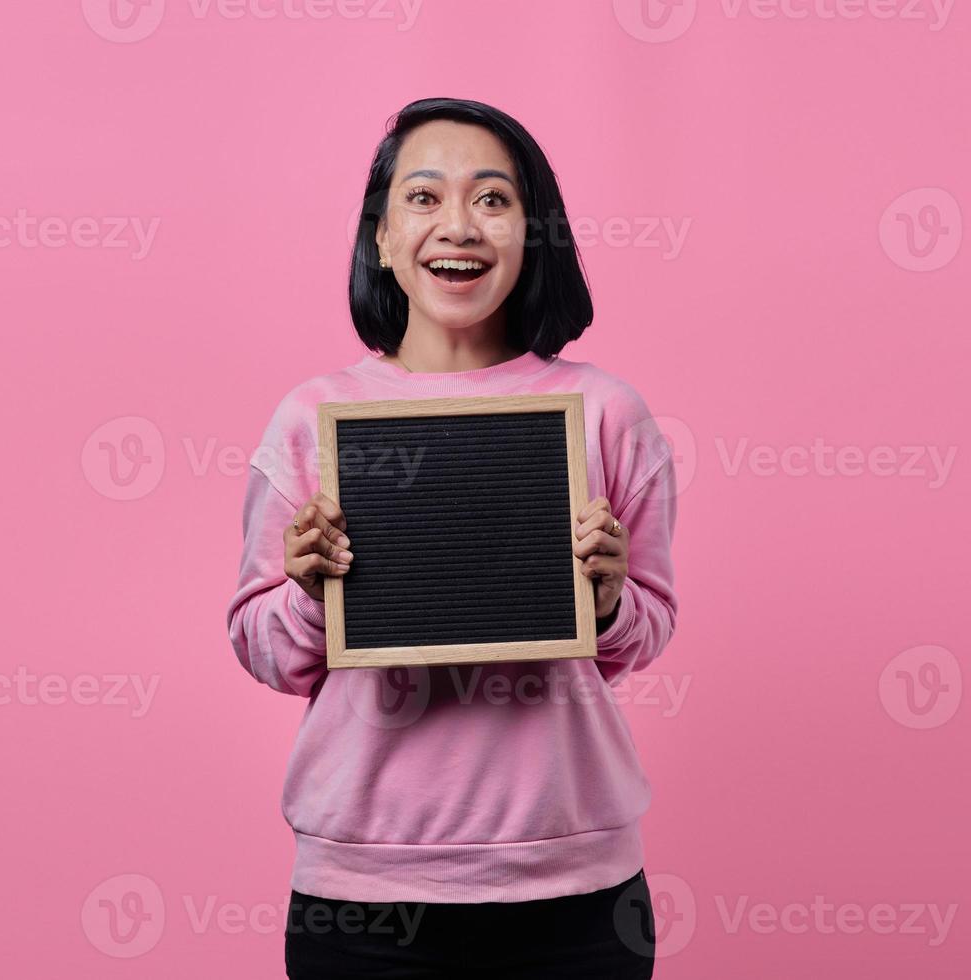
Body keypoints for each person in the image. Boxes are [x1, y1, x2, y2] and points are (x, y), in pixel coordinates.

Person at [226, 97, 680, 979]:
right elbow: (263, 647)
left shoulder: (607, 414)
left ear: (531, 233)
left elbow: (648, 626)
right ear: (383, 239)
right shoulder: (314, 419)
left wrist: (610, 597)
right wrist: (312, 595)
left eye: (494, 199)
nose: (458, 226)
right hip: (364, 885)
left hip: (574, 881)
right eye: (424, 198)